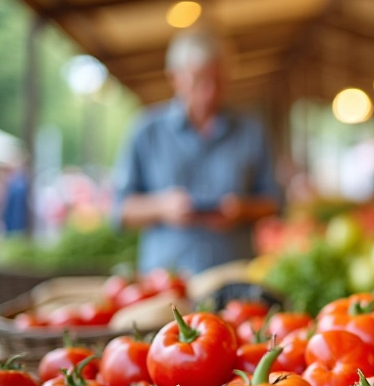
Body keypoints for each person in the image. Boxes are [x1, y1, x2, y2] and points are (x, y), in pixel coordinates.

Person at [114, 29, 282, 274]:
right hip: (165, 279)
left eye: (218, 81)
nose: (210, 92)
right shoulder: (145, 131)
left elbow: (276, 202)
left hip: (234, 273)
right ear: (174, 78)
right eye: (199, 81)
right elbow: (121, 210)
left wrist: (241, 210)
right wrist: (163, 206)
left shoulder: (252, 131)